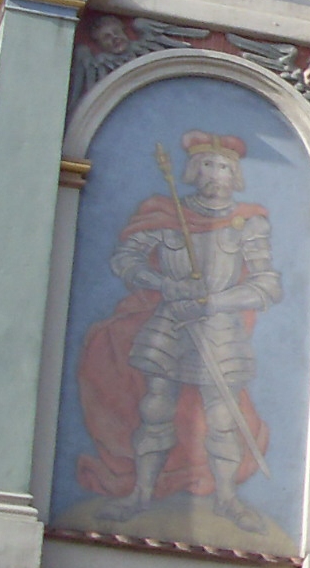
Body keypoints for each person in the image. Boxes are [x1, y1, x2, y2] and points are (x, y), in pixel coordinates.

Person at [75, 130, 283, 535]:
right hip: (170, 322)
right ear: (193, 170)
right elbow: (126, 260)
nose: (214, 174)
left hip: (220, 329)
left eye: (223, 167)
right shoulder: (167, 213)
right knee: (155, 411)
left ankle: (226, 498)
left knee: (222, 417)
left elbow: (266, 285)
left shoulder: (248, 223)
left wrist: (213, 301)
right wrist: (163, 284)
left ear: (234, 174)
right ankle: (141, 493)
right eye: (207, 165)